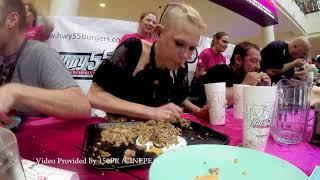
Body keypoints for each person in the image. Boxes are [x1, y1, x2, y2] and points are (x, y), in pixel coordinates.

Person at [88, 3, 207, 123]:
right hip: (119, 132)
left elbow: (179, 97)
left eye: (192, 48)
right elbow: (94, 96)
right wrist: (151, 112)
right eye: (179, 44)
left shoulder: (181, 67)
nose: (185, 56)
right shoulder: (134, 49)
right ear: (159, 32)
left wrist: (198, 111)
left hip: (158, 136)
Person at [0, 0, 91, 126]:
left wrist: (15, 91)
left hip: (32, 139)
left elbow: (81, 106)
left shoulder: (40, 53)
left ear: (12, 20)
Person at [198, 41, 271, 106]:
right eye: (254, 61)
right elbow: (214, 102)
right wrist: (245, 85)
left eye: (259, 62)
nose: (258, 66)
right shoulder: (218, 71)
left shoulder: (245, 74)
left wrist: (264, 88)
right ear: (238, 59)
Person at [190, 31, 229, 104]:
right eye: (224, 41)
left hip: (213, 86)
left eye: (227, 43)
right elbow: (199, 74)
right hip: (199, 86)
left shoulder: (223, 58)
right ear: (216, 40)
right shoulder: (206, 53)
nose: (226, 45)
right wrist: (214, 71)